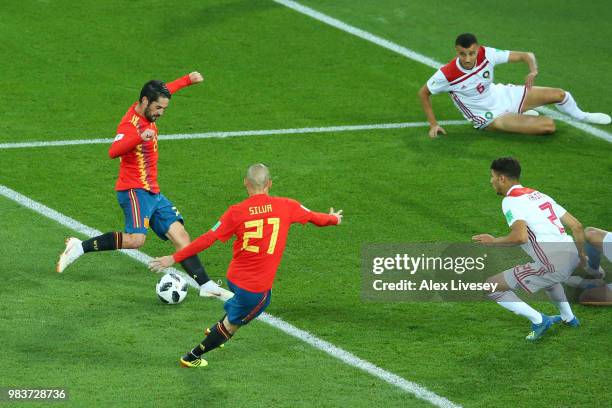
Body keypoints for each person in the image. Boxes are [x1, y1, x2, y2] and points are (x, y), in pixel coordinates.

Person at [149, 164, 343, 367]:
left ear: (246, 183)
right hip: (256, 290)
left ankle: (218, 327)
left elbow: (207, 239)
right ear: (269, 183)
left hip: (234, 279)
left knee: (238, 305)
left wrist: (174, 257)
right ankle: (192, 356)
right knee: (233, 324)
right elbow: (315, 217)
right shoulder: (287, 205)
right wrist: (333, 219)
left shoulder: (236, 212)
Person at [57, 72, 221, 297]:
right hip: (134, 190)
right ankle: (79, 247)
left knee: (181, 236)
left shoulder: (150, 102)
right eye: (158, 108)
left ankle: (206, 285)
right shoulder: (130, 126)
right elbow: (113, 151)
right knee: (136, 240)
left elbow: (166, 90)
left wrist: (186, 81)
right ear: (144, 102)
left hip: (152, 190)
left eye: (163, 108)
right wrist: (139, 137)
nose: (160, 113)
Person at [472, 157, 586, 340]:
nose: (490, 181)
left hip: (553, 263)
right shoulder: (539, 195)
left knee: (490, 286)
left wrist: (493, 242)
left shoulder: (511, 201)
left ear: (502, 178)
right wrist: (582, 256)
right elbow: (577, 226)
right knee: (549, 279)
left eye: (492, 176)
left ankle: (540, 320)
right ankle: (569, 318)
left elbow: (520, 237)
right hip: (571, 255)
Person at [418, 33, 611, 137]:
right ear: (457, 52)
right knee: (548, 126)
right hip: (488, 116)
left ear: (477, 49)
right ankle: (516, 115)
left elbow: (526, 55)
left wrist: (533, 70)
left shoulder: (487, 53)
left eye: (472, 53)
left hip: (501, 94)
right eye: (463, 54)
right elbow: (423, 93)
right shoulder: (447, 73)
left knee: (560, 94)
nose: (468, 58)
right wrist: (434, 124)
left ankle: (582, 116)